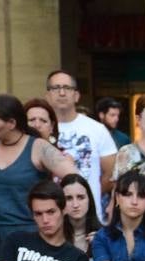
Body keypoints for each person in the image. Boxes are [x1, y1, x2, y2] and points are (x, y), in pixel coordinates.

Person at [0, 94, 76, 261]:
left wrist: (60, 211)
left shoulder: (38, 147)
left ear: (11, 123)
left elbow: (75, 179)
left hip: (30, 236)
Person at [48, 70, 117, 206]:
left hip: (90, 218)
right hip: (50, 215)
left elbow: (111, 174)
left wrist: (91, 196)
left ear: (77, 95)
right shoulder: (39, 129)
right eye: (56, 88)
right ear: (47, 95)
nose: (62, 93)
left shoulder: (97, 129)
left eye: (67, 88)